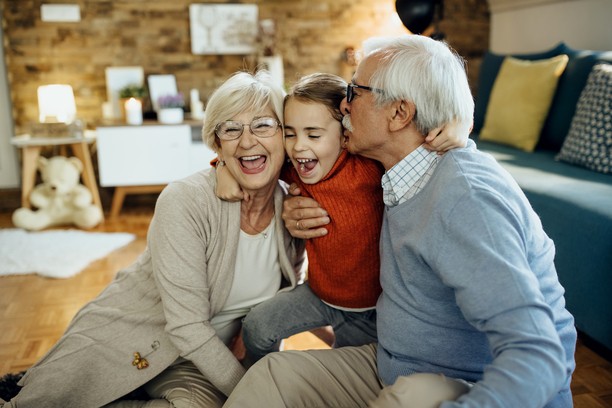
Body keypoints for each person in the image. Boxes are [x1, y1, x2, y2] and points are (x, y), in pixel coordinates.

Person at [223, 35, 577, 408]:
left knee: (405, 397)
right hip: (392, 363)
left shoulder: (465, 200)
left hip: (456, 383)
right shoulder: (393, 167)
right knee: (272, 377)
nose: (343, 105)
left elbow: (539, 355)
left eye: (354, 91)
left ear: (399, 113)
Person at [0, 70, 306, 408]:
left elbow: (278, 302)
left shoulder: (292, 208)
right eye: (231, 128)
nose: (247, 141)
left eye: (263, 125)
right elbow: (188, 326)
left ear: (285, 135)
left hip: (199, 364)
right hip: (123, 342)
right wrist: (251, 393)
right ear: (217, 144)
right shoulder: (185, 200)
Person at [215, 72, 469, 362]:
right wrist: (222, 166)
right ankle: (252, 377)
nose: (298, 146)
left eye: (313, 134)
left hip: (371, 308)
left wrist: (459, 124)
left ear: (346, 135)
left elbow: (421, 144)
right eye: (289, 133)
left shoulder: (369, 166)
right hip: (318, 294)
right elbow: (254, 160)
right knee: (258, 327)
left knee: (350, 371)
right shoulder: (297, 166)